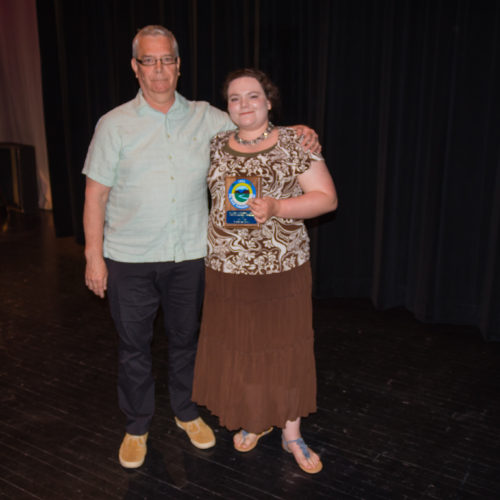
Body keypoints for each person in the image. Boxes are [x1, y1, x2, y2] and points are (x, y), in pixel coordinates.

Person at [82, 26, 319, 469]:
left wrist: (300, 132)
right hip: (129, 257)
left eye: (166, 59)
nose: (158, 70)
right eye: (148, 61)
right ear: (135, 68)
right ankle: (137, 425)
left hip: (191, 256)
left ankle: (186, 411)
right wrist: (93, 256)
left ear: (178, 65)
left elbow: (257, 125)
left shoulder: (209, 117)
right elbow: (95, 194)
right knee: (133, 345)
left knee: (186, 340)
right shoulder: (113, 124)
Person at [192, 68, 338, 474]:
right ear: (227, 107)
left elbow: (326, 199)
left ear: (269, 101)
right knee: (244, 346)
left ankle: (291, 432)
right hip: (227, 269)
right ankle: (256, 420)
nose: (244, 105)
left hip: (281, 268)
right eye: (235, 98)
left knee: (284, 347)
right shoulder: (217, 145)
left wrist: (278, 207)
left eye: (253, 96)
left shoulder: (295, 141)